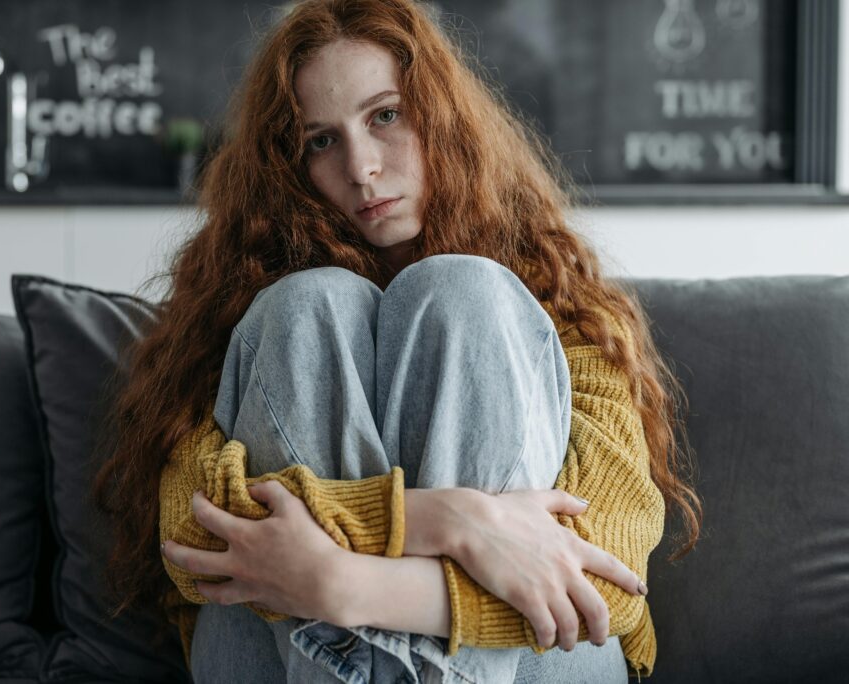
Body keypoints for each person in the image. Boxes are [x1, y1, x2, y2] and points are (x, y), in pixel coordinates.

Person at [93, 1, 701, 682]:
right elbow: (193, 537)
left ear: (440, 115)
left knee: (464, 292)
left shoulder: (559, 306)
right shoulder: (249, 309)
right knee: (306, 305)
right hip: (274, 653)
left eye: (386, 116)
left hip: (525, 658)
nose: (362, 168)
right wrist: (446, 520)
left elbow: (607, 580)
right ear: (288, 167)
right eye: (320, 140)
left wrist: (340, 586)